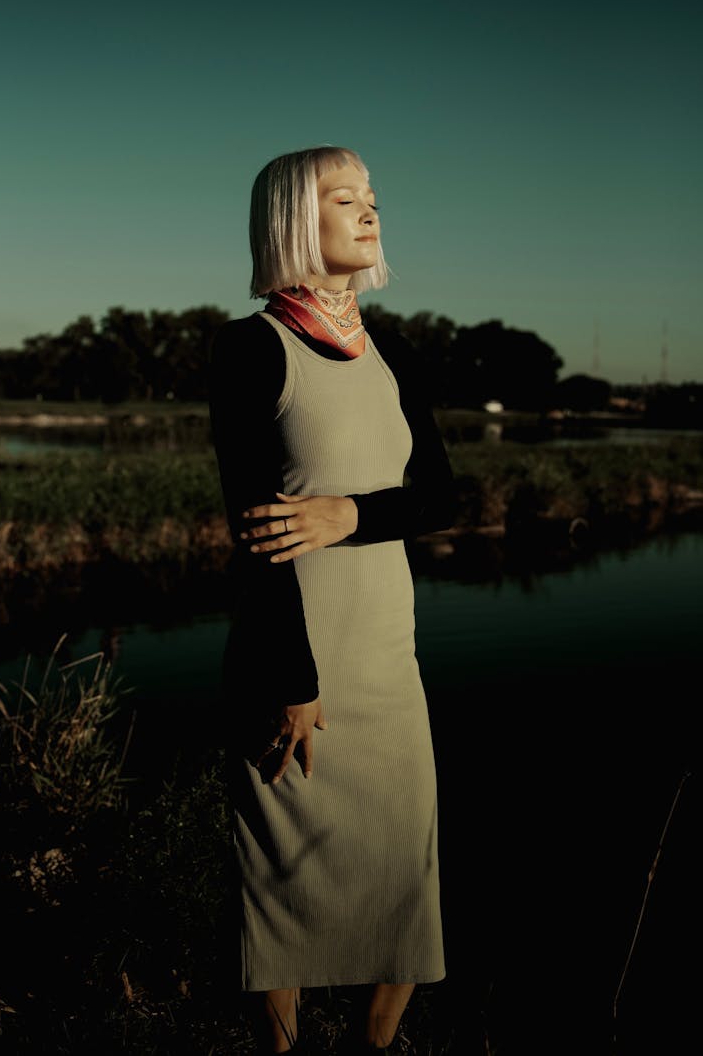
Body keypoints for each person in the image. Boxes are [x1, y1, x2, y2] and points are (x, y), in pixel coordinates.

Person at [209, 146, 456, 1054]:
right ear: (288, 220)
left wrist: (350, 511)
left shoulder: (396, 353)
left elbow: (439, 493)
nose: (369, 211)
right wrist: (293, 678)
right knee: (283, 885)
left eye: (373, 197)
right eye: (344, 197)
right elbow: (257, 536)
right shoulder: (249, 348)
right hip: (294, 658)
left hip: (389, 659)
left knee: (404, 875)